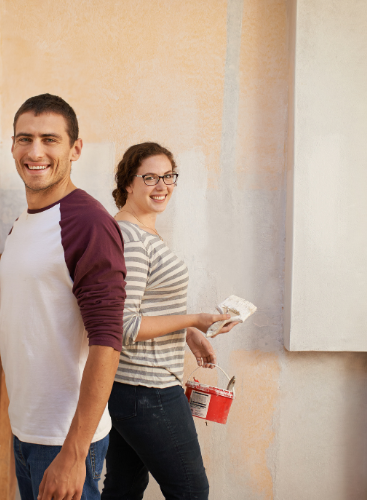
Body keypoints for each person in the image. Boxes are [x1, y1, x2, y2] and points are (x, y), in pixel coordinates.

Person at [0, 94, 127, 500]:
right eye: (24, 138)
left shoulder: (88, 224)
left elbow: (107, 342)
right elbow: (49, 303)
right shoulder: (23, 222)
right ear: (12, 146)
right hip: (27, 424)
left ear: (75, 148)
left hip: (65, 438)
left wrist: (73, 454)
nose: (35, 152)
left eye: (50, 139)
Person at [101, 142, 239, 500]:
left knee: (124, 489)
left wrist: (189, 330)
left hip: (128, 388)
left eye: (169, 176)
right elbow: (125, 325)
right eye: (150, 177)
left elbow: (141, 306)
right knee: (191, 491)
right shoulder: (131, 238)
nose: (162, 186)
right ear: (128, 183)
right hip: (149, 390)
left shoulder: (141, 232)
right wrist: (193, 317)